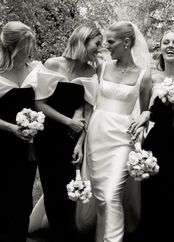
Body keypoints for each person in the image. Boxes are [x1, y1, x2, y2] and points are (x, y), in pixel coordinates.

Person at [129, 30, 174, 242]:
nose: (170, 46)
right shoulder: (151, 78)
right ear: (160, 48)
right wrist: (139, 146)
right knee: (151, 195)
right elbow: (146, 113)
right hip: (156, 143)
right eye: (166, 42)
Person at [32, 24, 103, 242]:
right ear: (82, 40)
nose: (99, 49)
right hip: (48, 136)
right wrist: (67, 121)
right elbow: (39, 102)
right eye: (96, 44)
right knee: (52, 190)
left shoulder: (91, 71)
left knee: (70, 190)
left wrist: (80, 141)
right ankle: (57, 234)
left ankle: (68, 234)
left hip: (72, 139)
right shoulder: (53, 64)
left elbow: (89, 107)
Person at [84, 21, 152, 242]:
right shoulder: (101, 67)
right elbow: (86, 102)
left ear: (127, 42)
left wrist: (146, 116)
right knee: (101, 196)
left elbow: (145, 112)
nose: (106, 46)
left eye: (111, 42)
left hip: (124, 138)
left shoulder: (144, 77)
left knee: (112, 193)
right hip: (97, 134)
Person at [0, 21, 43, 242]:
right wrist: (10, 127)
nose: (31, 49)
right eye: (27, 44)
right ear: (11, 46)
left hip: (27, 146)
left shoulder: (37, 69)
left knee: (22, 198)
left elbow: (46, 103)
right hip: (2, 143)